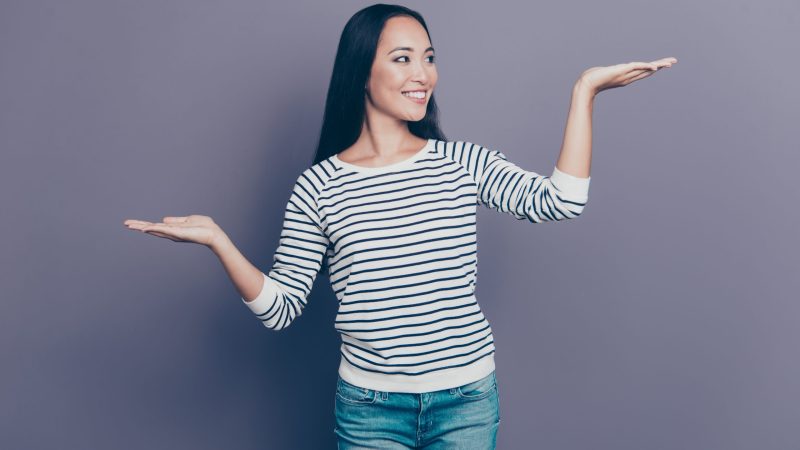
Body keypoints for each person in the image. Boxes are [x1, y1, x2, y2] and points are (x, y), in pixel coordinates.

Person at [123, 3, 676, 448]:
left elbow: (561, 201)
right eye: (403, 58)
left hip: (466, 401)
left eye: (428, 58)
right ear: (362, 73)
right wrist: (218, 241)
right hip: (369, 410)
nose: (422, 74)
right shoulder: (318, 187)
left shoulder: (460, 163)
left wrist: (585, 91)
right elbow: (280, 310)